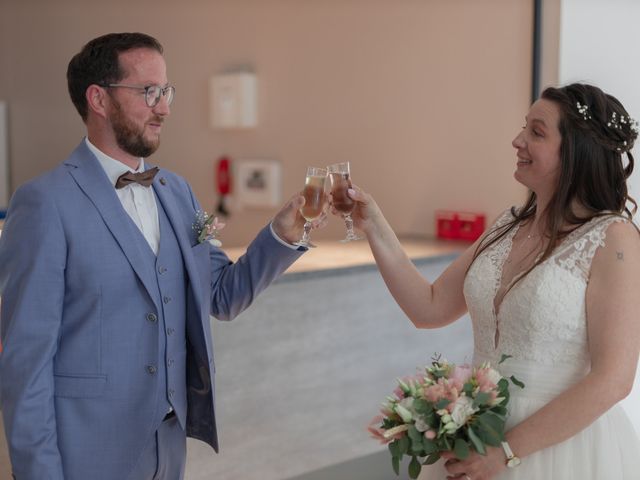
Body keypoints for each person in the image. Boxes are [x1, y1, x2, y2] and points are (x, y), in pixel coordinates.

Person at [0, 32, 314, 480]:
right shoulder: (43, 203)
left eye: (166, 91)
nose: (164, 107)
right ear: (99, 100)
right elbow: (24, 369)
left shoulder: (177, 192)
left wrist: (287, 229)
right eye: (149, 92)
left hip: (166, 452)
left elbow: (222, 296)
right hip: (83, 456)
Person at [346, 83, 640, 479]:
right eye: (525, 128)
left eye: (536, 132)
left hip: (556, 447)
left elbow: (614, 380)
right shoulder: (507, 225)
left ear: (576, 151)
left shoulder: (614, 239)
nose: (517, 141)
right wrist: (373, 224)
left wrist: (506, 453)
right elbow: (428, 307)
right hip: (478, 431)